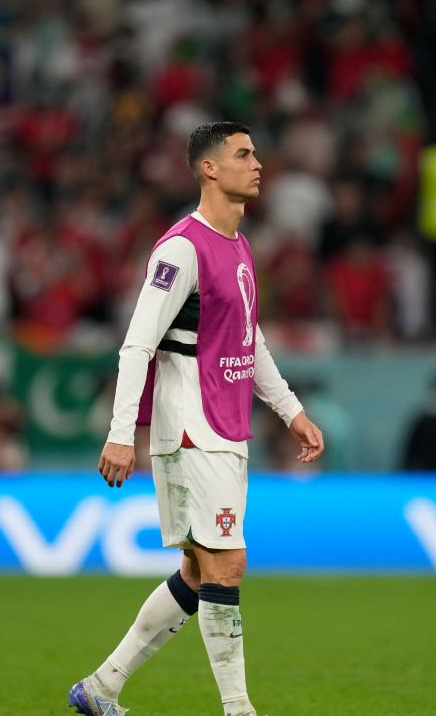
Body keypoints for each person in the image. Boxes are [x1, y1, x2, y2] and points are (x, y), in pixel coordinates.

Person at [74, 122, 324, 716]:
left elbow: (247, 337)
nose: (257, 163)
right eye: (243, 154)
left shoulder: (238, 244)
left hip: (225, 423)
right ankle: (238, 708)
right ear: (208, 169)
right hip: (191, 427)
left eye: (256, 153)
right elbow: (137, 345)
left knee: (196, 569)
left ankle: (101, 688)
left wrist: (290, 409)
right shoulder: (180, 249)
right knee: (227, 563)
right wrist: (120, 434)